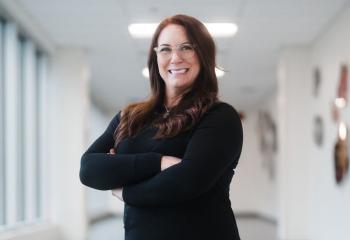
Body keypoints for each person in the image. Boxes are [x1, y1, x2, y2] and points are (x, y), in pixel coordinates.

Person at [80, 14, 243, 240]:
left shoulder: (220, 117)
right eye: (165, 49)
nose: (175, 57)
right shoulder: (129, 117)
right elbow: (89, 169)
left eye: (186, 47)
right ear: (155, 57)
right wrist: (160, 162)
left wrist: (125, 189)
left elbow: (186, 182)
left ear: (203, 54)